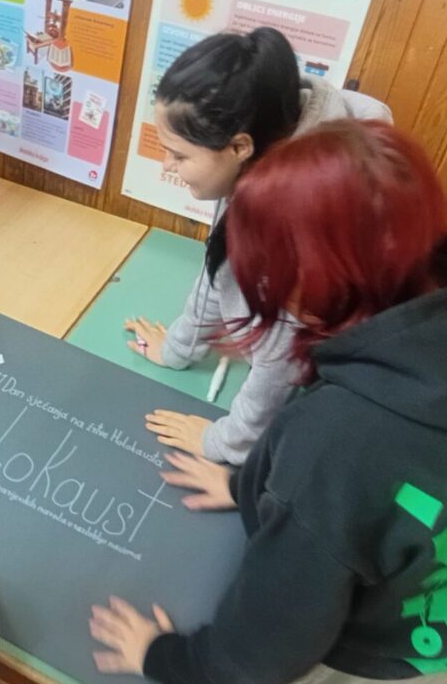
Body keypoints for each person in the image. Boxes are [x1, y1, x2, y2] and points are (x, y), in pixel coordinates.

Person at [91, 120, 447, 684]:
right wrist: (249, 484)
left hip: (372, 665)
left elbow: (259, 651)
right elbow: (378, 501)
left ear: (319, 279)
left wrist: (166, 658)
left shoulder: (340, 437)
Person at [126, 27, 390, 464]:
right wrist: (180, 347)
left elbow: (282, 354)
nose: (167, 165)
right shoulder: (262, 151)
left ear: (238, 147)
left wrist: (226, 443)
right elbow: (221, 265)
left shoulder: (303, 216)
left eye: (180, 155)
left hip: (337, 389)